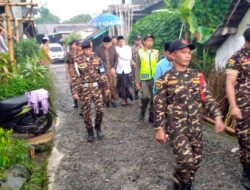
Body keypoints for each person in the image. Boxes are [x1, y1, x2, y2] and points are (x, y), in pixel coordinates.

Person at [154, 39, 225, 189]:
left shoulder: (196, 76)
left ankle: (184, 182)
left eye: (189, 53)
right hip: (176, 127)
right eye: (183, 52)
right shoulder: (164, 79)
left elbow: (207, 97)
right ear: (173, 55)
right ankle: (183, 183)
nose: (188, 56)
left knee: (196, 160)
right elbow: (159, 104)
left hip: (196, 126)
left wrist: (218, 116)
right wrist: (159, 128)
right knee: (186, 160)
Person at [71, 41, 110, 143]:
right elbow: (75, 77)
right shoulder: (77, 61)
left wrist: (106, 87)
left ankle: (98, 127)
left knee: (100, 110)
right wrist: (74, 92)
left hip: (96, 88)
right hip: (84, 90)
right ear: (82, 50)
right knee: (86, 112)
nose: (88, 51)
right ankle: (90, 131)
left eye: (89, 49)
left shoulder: (96, 59)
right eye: (86, 50)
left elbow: (102, 73)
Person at [226, 27, 250, 190]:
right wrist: (233, 106)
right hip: (245, 106)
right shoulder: (236, 58)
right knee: (246, 141)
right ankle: (247, 174)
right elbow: (230, 83)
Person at [135, 34, 159, 123]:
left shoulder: (156, 52)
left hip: (154, 79)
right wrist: (137, 82)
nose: (150, 42)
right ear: (144, 42)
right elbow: (137, 67)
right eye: (148, 41)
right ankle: (143, 111)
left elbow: (158, 65)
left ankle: (151, 116)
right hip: (144, 79)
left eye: (151, 41)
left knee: (154, 98)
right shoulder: (140, 53)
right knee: (145, 97)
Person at [95, 36, 118, 108]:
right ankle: (106, 101)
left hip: (111, 71)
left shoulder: (113, 48)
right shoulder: (98, 50)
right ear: (102, 43)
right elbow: (95, 62)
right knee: (104, 86)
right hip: (102, 71)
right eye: (105, 44)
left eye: (108, 44)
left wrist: (114, 67)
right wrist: (100, 71)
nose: (107, 46)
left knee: (113, 85)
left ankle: (113, 101)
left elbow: (116, 59)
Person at [115, 36, 134, 106]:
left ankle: (126, 99)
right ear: (117, 42)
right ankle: (123, 100)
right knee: (121, 86)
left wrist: (120, 55)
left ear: (124, 41)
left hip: (127, 69)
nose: (121, 43)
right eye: (119, 41)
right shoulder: (115, 49)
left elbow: (129, 57)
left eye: (122, 41)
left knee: (127, 85)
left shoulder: (128, 48)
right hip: (119, 70)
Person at [65, 40, 79, 108]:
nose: (75, 45)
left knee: (80, 86)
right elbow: (67, 64)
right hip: (72, 71)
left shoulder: (80, 52)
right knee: (72, 86)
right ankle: (75, 102)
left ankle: (81, 102)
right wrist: (67, 74)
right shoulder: (68, 54)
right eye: (73, 44)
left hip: (79, 71)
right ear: (71, 45)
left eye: (76, 44)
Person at [132, 35, 143, 99]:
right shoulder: (131, 48)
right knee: (135, 80)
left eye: (139, 40)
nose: (138, 42)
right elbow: (129, 57)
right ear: (134, 41)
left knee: (142, 80)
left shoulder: (143, 48)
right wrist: (133, 63)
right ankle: (136, 93)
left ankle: (142, 92)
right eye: (137, 40)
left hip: (142, 67)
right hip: (134, 67)